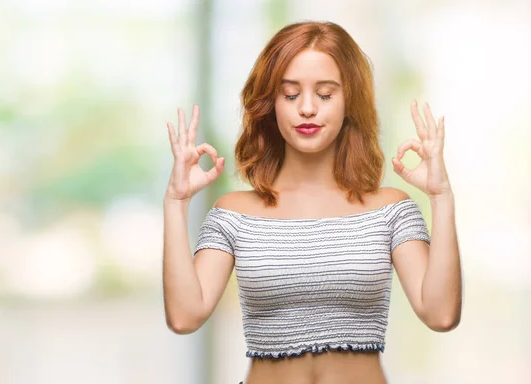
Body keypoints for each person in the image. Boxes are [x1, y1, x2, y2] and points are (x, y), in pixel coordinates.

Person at [162, 21, 462, 384]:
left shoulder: (391, 210)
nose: (307, 108)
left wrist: (441, 197)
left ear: (349, 100)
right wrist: (176, 203)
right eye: (290, 95)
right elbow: (184, 317)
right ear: (270, 104)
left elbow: (441, 314)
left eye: (325, 94)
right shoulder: (234, 213)